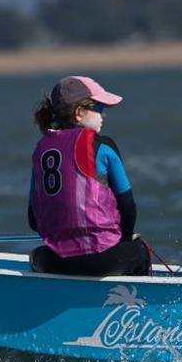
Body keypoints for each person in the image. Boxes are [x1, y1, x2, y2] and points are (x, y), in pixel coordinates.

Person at [27, 76, 150, 276]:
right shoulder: (103, 146)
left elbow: (33, 219)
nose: (103, 116)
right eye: (99, 108)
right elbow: (128, 208)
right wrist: (126, 239)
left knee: (36, 255)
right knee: (139, 251)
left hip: (54, 261)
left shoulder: (41, 149)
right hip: (102, 261)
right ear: (79, 113)